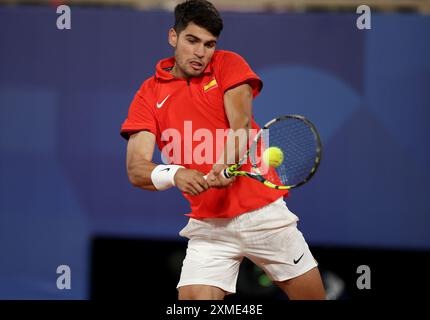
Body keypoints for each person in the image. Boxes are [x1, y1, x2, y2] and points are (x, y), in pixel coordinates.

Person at [120, 0, 326, 300]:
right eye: (192, 41)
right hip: (209, 225)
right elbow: (136, 169)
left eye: (209, 44)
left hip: (264, 216)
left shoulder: (229, 64)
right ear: (173, 37)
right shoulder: (149, 94)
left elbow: (240, 125)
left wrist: (224, 164)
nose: (201, 53)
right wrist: (176, 174)